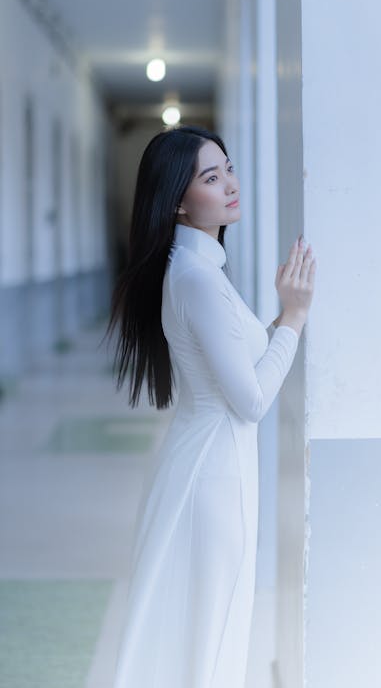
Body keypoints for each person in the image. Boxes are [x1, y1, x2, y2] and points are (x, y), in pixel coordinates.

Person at [104, 124, 316, 687]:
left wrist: (279, 320)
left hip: (205, 464)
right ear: (177, 200)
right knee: (212, 632)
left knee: (203, 631)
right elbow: (249, 401)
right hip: (215, 477)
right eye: (210, 176)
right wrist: (292, 319)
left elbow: (235, 366)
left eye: (228, 168)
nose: (230, 184)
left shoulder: (196, 272)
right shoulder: (197, 279)